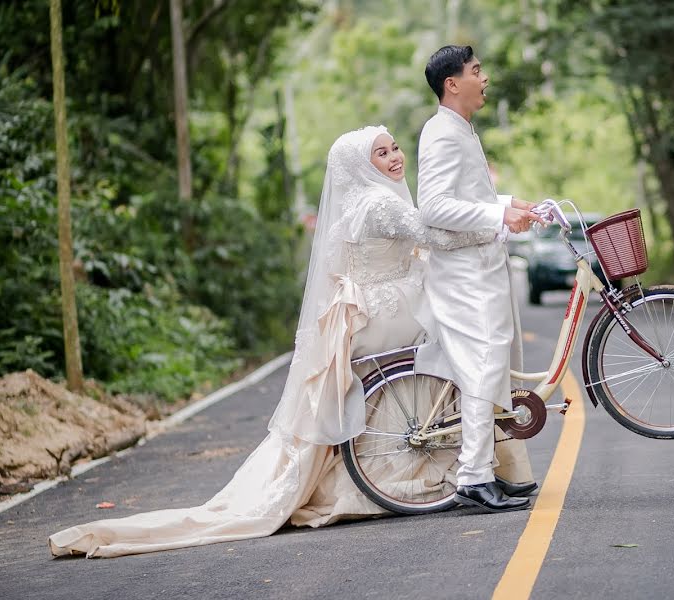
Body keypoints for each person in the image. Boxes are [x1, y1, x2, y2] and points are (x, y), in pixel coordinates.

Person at [48, 125, 534, 558]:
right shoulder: (380, 202)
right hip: (388, 309)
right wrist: (497, 223)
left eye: (395, 148)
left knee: (454, 334)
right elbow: (433, 235)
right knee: (465, 346)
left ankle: (462, 461)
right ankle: (464, 464)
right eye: (381, 154)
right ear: (359, 167)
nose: (395, 159)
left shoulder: (361, 200)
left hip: (376, 305)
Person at [415, 45, 543, 514]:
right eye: (476, 71)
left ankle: (485, 467)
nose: (484, 78)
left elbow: (472, 194)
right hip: (463, 274)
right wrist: (498, 213)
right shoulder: (441, 134)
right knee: (483, 367)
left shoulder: (461, 128)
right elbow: (432, 207)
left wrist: (513, 206)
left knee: (493, 368)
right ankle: (472, 477)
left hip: (482, 267)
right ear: (453, 83)